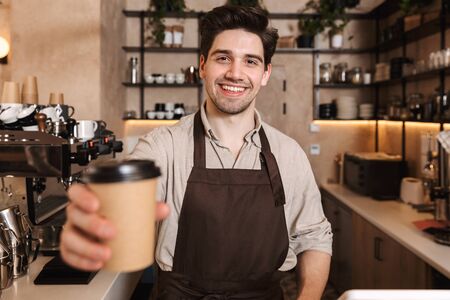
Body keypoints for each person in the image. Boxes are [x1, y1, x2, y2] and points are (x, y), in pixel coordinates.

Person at [61, 5, 332, 300]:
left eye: (250, 61)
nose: (235, 73)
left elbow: (314, 238)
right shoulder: (164, 146)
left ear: (265, 73)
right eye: (223, 58)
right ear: (203, 65)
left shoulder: (289, 154)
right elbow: (123, 203)